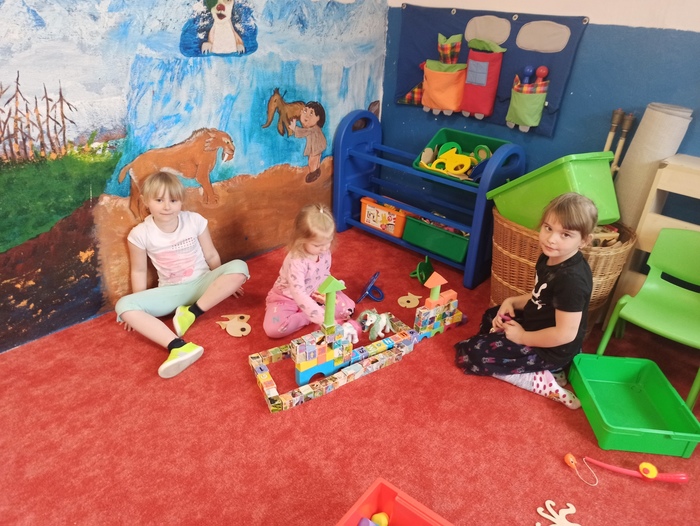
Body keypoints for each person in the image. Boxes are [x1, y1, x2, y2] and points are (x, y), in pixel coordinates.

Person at [455, 192, 598, 409]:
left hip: (551, 349)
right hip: (537, 326)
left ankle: (540, 380)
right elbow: (540, 296)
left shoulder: (572, 281)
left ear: (584, 241)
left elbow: (565, 334)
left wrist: (522, 337)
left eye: (565, 234)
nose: (551, 239)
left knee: (471, 354)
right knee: (492, 316)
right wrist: (512, 301)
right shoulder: (549, 256)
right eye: (548, 228)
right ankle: (550, 370)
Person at [115, 172, 249, 379]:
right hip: (171, 292)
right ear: (146, 201)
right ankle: (178, 346)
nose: (167, 207)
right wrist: (139, 305)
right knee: (124, 305)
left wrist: (223, 282)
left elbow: (211, 254)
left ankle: (192, 312)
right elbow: (139, 271)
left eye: (173, 200)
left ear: (181, 201)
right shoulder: (140, 234)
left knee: (240, 267)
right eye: (159, 200)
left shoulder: (194, 221)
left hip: (203, 284)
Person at [263, 203, 355, 338]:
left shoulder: (324, 251)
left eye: (328, 242)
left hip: (315, 292)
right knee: (275, 329)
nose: (324, 248)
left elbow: (324, 274)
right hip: (287, 297)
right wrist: (321, 317)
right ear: (301, 240)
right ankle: (308, 315)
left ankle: (314, 311)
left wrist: (330, 289)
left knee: (348, 308)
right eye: (317, 245)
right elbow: (298, 293)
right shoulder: (297, 261)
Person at [289, 101, 327, 183]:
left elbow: (304, 132)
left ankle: (313, 173)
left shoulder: (313, 129)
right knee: (316, 158)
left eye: (311, 113)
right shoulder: (315, 128)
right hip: (318, 145)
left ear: (318, 118)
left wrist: (295, 128)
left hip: (316, 145)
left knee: (312, 160)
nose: (306, 115)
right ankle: (317, 170)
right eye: (305, 111)